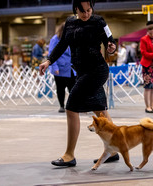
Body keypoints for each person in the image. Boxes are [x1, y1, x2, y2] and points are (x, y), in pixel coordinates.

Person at [39, 0, 119, 167]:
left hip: (96, 70)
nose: (86, 14)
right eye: (82, 11)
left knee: (71, 107)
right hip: (82, 72)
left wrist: (111, 48)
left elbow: (110, 42)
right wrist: (48, 61)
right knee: (100, 110)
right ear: (76, 8)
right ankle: (113, 150)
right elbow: (62, 45)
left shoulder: (99, 22)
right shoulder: (69, 23)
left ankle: (69, 155)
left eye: (89, 10)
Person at [48, 23, 76, 113]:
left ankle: (72, 105)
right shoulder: (55, 39)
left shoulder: (72, 38)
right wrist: (54, 66)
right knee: (60, 88)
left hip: (71, 68)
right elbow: (51, 53)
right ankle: (61, 106)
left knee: (73, 88)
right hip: (59, 69)